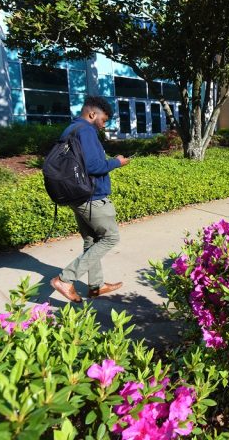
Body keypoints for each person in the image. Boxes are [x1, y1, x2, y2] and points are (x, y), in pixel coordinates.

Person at [51, 96, 130, 303]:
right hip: (92, 197)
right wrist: (117, 162)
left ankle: (96, 286)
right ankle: (65, 280)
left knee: (91, 240)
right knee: (110, 237)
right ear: (92, 114)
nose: (104, 125)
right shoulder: (86, 130)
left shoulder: (71, 129)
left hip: (76, 195)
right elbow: (95, 166)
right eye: (104, 120)